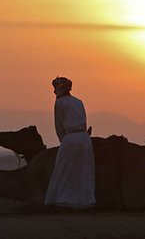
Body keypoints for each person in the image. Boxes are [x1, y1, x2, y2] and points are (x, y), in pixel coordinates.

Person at [44, 76, 96, 209]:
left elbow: (59, 125)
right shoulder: (79, 102)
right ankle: (85, 201)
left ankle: (64, 200)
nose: (54, 92)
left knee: (64, 169)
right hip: (84, 138)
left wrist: (64, 141)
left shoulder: (60, 103)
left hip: (70, 138)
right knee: (83, 169)